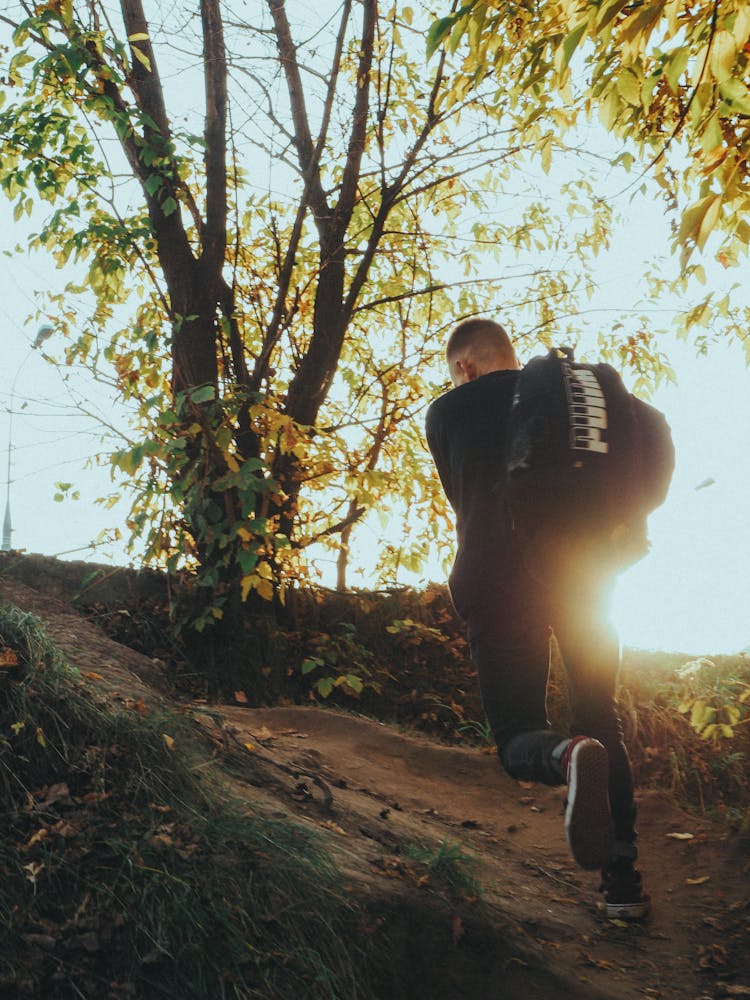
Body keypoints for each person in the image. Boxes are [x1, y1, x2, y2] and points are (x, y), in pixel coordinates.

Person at [425, 317, 650, 919]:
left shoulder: (446, 413)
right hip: (587, 578)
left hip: (497, 581)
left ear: (465, 367)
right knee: (603, 715)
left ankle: (564, 754)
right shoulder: (574, 404)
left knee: (516, 734)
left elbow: (463, 499)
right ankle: (623, 883)